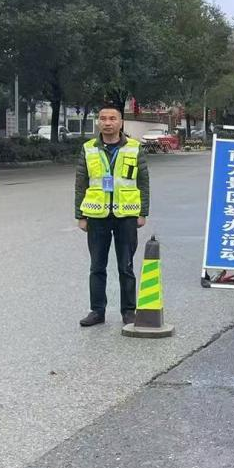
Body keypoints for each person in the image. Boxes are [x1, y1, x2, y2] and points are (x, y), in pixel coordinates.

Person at [75, 103, 150, 327]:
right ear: (98, 122)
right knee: (97, 266)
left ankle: (128, 311)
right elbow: (81, 183)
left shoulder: (134, 148)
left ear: (121, 122)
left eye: (112, 119)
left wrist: (143, 213)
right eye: (103, 118)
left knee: (126, 266)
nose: (107, 123)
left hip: (126, 215)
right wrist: (80, 215)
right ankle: (97, 311)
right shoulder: (88, 148)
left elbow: (143, 182)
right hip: (97, 215)